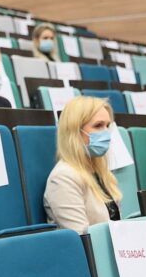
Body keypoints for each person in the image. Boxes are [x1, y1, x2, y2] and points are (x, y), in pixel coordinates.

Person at [44, 96, 122, 234]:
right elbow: (83, 238)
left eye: (107, 126)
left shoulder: (103, 173)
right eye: (98, 125)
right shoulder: (63, 178)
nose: (106, 132)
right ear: (75, 132)